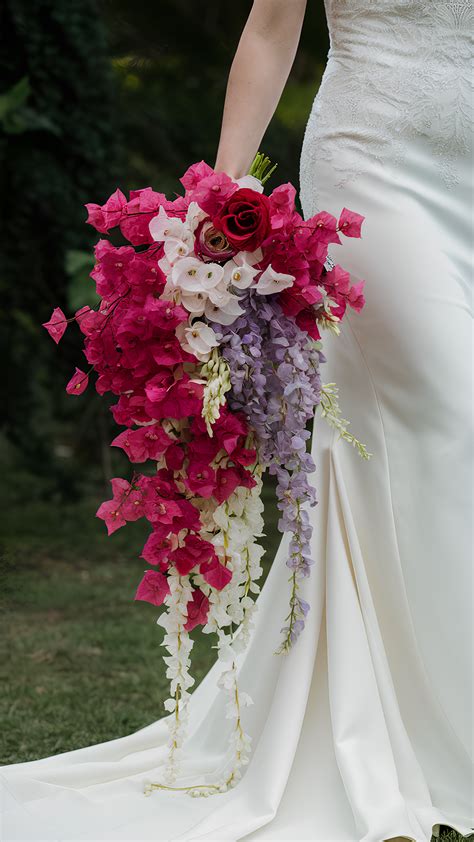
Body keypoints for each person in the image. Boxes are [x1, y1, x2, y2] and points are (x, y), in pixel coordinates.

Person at [1, 1, 472, 840]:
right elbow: (268, 28)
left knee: (405, 444)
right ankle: (448, 736)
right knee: (448, 413)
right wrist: (221, 197)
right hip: (381, 163)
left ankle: (404, 712)